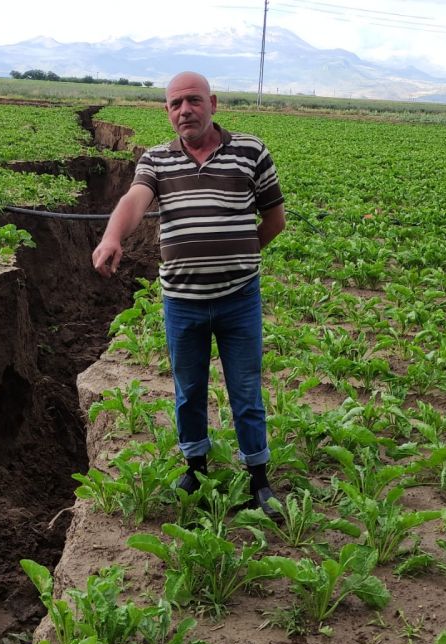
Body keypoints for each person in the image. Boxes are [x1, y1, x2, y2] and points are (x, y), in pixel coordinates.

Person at [91, 70, 286, 517]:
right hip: (182, 302)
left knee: (246, 389)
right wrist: (112, 237)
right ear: (167, 111)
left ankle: (259, 478)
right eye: (176, 104)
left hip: (239, 298)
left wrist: (238, 253)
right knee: (189, 389)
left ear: (212, 103)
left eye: (194, 101)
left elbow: (274, 220)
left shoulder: (250, 151)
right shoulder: (156, 160)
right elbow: (135, 200)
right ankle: (195, 468)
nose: (185, 111)